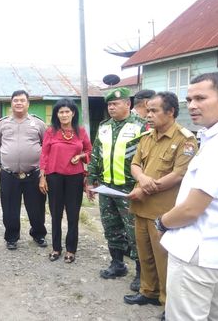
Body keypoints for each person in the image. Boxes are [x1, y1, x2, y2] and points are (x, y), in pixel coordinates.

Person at [158, 72, 218, 320]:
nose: (192, 106)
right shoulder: (213, 136)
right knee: (217, 314)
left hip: (196, 252)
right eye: (188, 99)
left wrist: (162, 222)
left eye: (200, 98)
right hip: (216, 250)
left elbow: (191, 209)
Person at [123, 92, 197, 316]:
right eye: (147, 110)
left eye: (154, 110)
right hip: (142, 208)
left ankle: (169, 303)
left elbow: (179, 174)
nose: (148, 115)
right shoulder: (147, 137)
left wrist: (144, 187)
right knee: (144, 254)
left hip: (165, 212)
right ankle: (149, 291)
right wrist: (143, 179)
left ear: (171, 112)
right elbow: (135, 165)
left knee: (164, 259)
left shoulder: (185, 140)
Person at [86, 87, 149, 291]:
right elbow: (96, 153)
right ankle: (117, 264)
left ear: (128, 104)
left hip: (130, 189)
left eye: (115, 104)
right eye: (109, 105)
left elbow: (147, 159)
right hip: (106, 187)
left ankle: (142, 273)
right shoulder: (104, 127)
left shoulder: (141, 127)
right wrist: (90, 179)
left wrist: (142, 185)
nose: (111, 107)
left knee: (134, 232)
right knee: (111, 227)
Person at [0, 90, 47, 251]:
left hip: (33, 174)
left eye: (22, 100)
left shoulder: (38, 124)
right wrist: (6, 160)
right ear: (11, 103)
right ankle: (11, 237)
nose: (19, 103)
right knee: (9, 209)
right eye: (15, 100)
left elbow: (46, 147)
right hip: (9, 174)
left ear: (28, 103)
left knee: (37, 207)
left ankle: (38, 234)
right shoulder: (2, 124)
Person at [39, 99, 92, 263]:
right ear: (57, 114)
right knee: (55, 213)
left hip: (75, 178)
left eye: (67, 111)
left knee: (73, 214)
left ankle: (71, 249)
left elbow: (90, 150)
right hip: (54, 177)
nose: (64, 115)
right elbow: (44, 155)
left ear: (73, 113)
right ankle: (56, 248)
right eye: (60, 112)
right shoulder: (50, 132)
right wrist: (42, 177)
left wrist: (81, 155)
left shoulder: (81, 132)